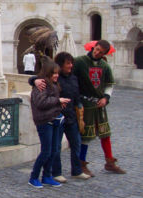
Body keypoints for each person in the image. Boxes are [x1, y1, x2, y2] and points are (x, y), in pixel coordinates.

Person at [30, 52, 91, 183]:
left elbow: (77, 95)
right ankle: (54, 173)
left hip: (71, 116)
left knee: (76, 144)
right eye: (68, 63)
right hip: (56, 117)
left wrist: (80, 109)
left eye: (71, 63)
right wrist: (33, 80)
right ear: (60, 65)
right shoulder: (50, 81)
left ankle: (77, 170)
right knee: (54, 148)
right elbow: (40, 89)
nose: (71, 65)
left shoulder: (73, 78)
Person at [73, 40, 125, 176]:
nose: (97, 53)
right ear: (93, 47)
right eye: (96, 49)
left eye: (101, 52)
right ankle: (81, 163)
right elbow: (70, 78)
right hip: (85, 105)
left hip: (100, 105)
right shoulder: (79, 62)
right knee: (86, 135)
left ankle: (110, 162)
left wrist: (106, 98)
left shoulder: (105, 66)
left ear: (104, 54)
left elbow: (109, 84)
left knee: (105, 133)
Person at [29, 58, 70, 188]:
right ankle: (33, 177)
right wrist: (58, 101)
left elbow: (51, 101)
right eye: (54, 73)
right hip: (44, 121)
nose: (56, 75)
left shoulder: (53, 84)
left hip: (55, 120)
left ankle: (47, 176)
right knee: (46, 151)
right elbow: (41, 103)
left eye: (57, 73)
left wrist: (59, 104)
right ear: (47, 73)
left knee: (53, 150)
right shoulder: (41, 85)